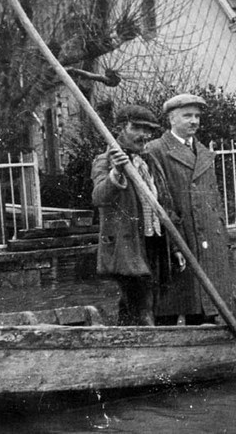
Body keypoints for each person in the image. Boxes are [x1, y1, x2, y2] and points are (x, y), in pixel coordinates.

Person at [144, 93, 234, 325]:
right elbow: (158, 199)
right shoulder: (156, 150)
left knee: (203, 306)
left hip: (207, 239)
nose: (194, 121)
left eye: (197, 116)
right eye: (187, 116)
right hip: (177, 237)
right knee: (171, 306)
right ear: (172, 119)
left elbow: (213, 198)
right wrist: (174, 242)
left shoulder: (204, 152)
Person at [91, 105, 164, 326]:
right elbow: (99, 197)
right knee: (139, 306)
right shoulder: (104, 161)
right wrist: (117, 172)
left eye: (148, 130)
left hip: (152, 241)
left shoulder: (149, 162)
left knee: (150, 303)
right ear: (121, 128)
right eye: (137, 128)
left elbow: (163, 201)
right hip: (126, 247)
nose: (144, 135)